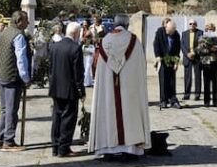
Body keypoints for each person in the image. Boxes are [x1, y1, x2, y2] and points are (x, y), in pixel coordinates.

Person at [89, 14, 151, 157]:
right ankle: (130, 148)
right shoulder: (134, 41)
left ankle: (107, 149)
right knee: (130, 113)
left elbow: (98, 67)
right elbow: (140, 68)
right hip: (130, 90)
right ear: (127, 24)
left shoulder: (105, 41)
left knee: (108, 110)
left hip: (108, 89)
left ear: (114, 24)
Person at [0, 10, 31, 151]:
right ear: (19, 21)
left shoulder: (5, 31)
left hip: (2, 75)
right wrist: (26, 78)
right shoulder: (18, 35)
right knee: (11, 110)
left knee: (5, 109)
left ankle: (0, 138)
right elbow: (21, 59)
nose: (28, 22)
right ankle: (8, 141)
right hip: (12, 77)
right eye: (26, 19)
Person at [48, 21, 85, 157]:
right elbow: (78, 73)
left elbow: (51, 69)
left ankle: (55, 147)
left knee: (57, 117)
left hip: (56, 88)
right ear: (75, 33)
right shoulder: (75, 48)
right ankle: (64, 148)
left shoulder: (54, 47)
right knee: (68, 119)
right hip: (70, 89)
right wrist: (81, 91)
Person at [153, 17, 182, 109]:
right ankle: (163, 101)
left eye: (168, 30)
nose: (166, 30)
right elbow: (156, 44)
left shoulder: (176, 35)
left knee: (172, 81)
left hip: (172, 60)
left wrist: (176, 63)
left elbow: (177, 50)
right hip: (162, 59)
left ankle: (173, 101)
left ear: (173, 30)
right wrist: (157, 56)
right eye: (166, 28)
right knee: (163, 81)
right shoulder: (160, 31)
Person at [181, 19, 203, 100]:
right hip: (187, 57)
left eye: (194, 24)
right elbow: (182, 45)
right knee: (187, 77)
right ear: (188, 25)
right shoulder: (184, 33)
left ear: (196, 25)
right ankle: (187, 94)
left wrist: (194, 52)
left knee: (198, 76)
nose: (192, 25)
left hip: (197, 57)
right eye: (190, 24)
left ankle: (197, 95)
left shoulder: (200, 33)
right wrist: (187, 54)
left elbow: (201, 44)